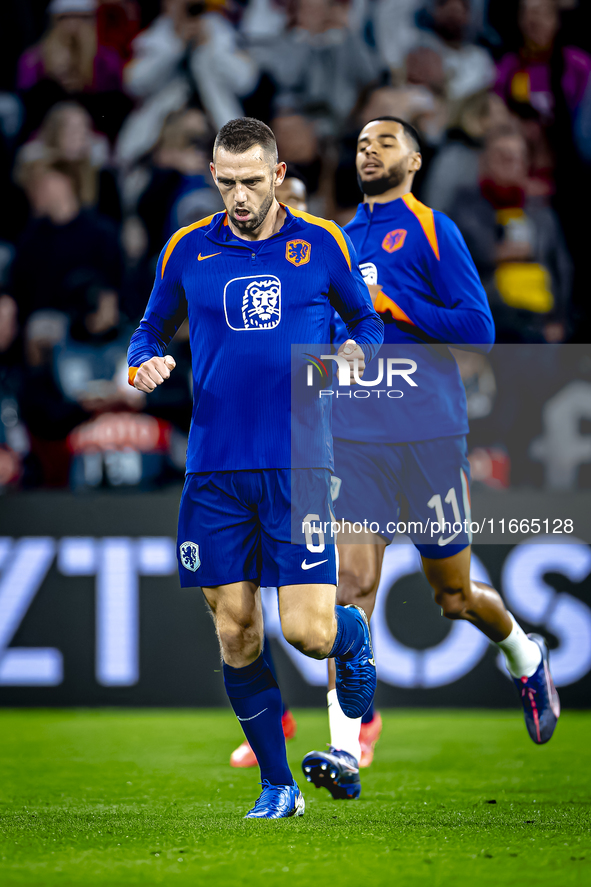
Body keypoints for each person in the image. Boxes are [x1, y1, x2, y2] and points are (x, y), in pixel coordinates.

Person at [127, 117, 384, 819]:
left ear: (276, 175)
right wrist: (142, 358)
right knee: (236, 628)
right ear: (214, 176)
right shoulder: (187, 248)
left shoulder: (320, 243)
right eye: (226, 181)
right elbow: (150, 326)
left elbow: (365, 321)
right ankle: (278, 785)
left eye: (250, 181)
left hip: (298, 459)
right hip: (213, 466)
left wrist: (358, 350)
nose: (238, 196)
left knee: (307, 631)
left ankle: (352, 634)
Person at [301, 115, 561, 801]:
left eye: (384, 141)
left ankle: (523, 653)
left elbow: (478, 328)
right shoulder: (333, 239)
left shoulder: (431, 230)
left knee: (452, 594)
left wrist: (395, 305)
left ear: (413, 160)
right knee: (349, 587)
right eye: (359, 143)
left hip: (428, 437)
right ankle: (344, 745)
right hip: (354, 438)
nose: (368, 150)